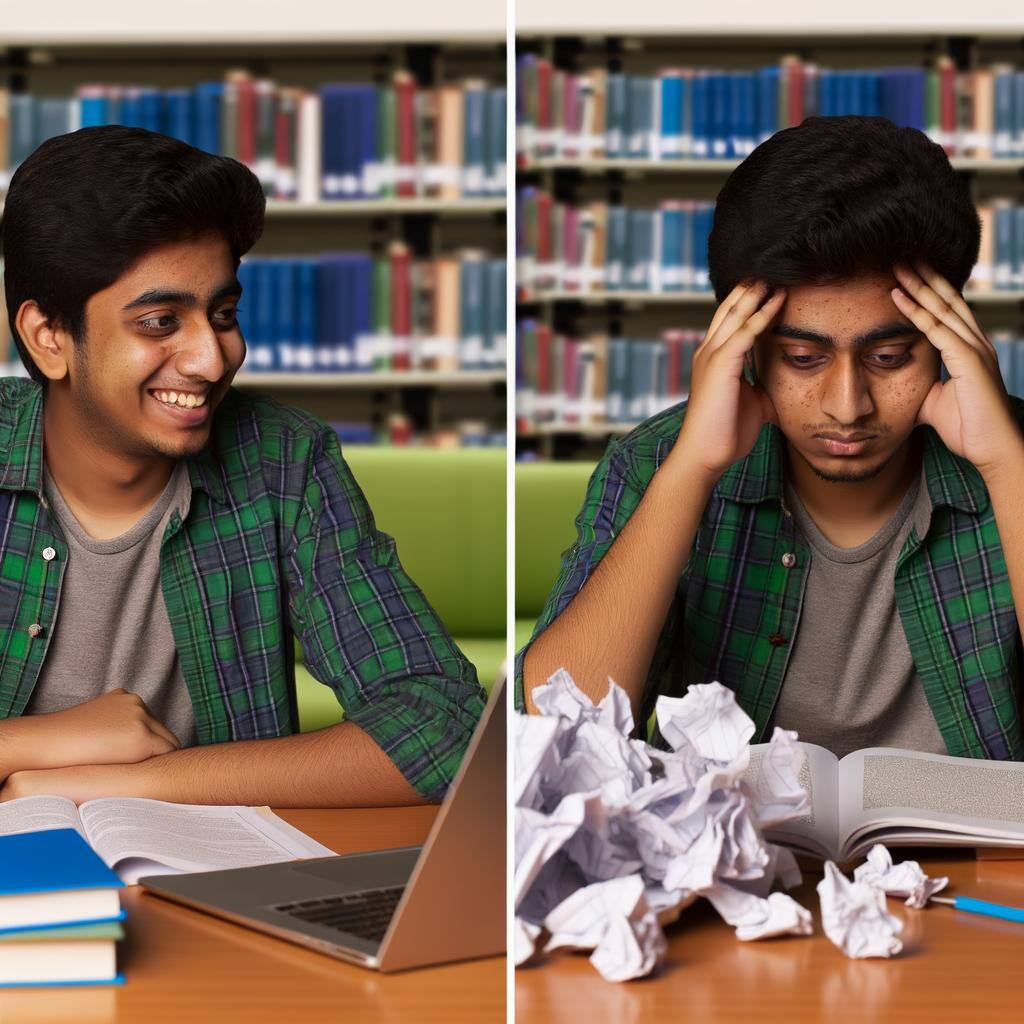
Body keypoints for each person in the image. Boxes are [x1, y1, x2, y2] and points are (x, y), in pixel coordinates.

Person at [0, 125, 485, 805]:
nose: (213, 357)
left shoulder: (284, 462)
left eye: (222, 313)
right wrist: (27, 744)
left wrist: (133, 783)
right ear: (49, 339)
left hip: (210, 879)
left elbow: (445, 725)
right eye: (161, 322)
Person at [518, 115, 1024, 761]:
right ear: (745, 348)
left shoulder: (1013, 454)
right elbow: (550, 738)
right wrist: (693, 470)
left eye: (891, 356)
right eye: (803, 360)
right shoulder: (657, 461)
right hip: (738, 856)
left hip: (987, 858)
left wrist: (1007, 464)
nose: (848, 407)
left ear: (953, 339)